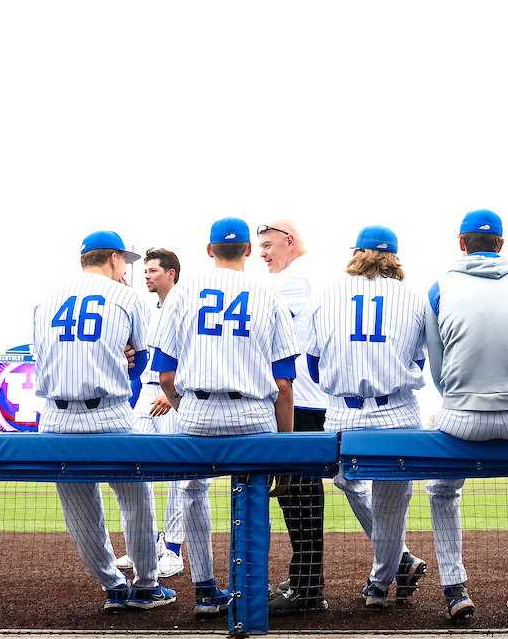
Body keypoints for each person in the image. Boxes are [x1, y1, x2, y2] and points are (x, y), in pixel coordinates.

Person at [151, 217, 300, 618]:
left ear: (209, 250)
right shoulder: (268, 295)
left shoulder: (183, 294)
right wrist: (283, 452)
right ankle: (248, 590)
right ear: (249, 251)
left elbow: (165, 376)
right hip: (252, 413)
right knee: (252, 490)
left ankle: (204, 590)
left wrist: (189, 408)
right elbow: (284, 386)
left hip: (196, 411)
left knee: (193, 490)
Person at [32, 231, 174, 612]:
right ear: (113, 259)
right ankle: (146, 586)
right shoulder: (126, 297)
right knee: (137, 501)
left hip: (55, 417)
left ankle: (112, 586)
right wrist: (123, 357)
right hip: (109, 411)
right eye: (124, 262)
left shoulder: (46, 299)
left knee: (80, 510)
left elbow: (41, 355)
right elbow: (142, 361)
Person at [424, 210, 508, 621]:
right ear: (501, 244)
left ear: (461, 244)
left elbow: (438, 369)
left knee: (442, 490)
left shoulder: (439, 286)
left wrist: (463, 399)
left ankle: (455, 588)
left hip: (463, 417)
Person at [305, 226, 427, 612]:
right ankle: (390, 570)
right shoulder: (413, 297)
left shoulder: (327, 292)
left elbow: (312, 362)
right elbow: (420, 360)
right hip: (397, 409)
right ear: (394, 257)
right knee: (391, 503)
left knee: (345, 477)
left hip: (344, 410)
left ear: (356, 253)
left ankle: (381, 579)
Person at [257, 219, 341, 613]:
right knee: (299, 494)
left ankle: (308, 589)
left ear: (289, 241)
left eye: (268, 245)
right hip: (309, 399)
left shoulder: (293, 280)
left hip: (301, 402)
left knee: (299, 494)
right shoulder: (310, 275)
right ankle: (305, 579)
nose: (262, 254)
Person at [127, 248, 187, 578]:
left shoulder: (185, 307)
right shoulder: (149, 311)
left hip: (172, 394)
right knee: (135, 465)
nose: (147, 275)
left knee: (179, 474)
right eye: (146, 270)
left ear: (171, 274)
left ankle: (174, 550)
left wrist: (172, 391)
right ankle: (147, 543)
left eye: (153, 270)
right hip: (148, 393)